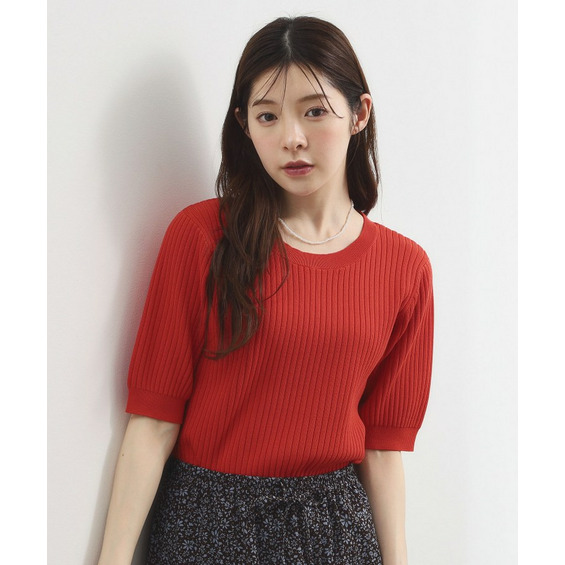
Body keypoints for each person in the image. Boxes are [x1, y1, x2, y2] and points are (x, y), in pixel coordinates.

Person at [97, 15, 434, 565]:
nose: (291, 138)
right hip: (205, 526)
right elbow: (154, 420)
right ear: (245, 125)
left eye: (314, 111)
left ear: (359, 114)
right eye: (268, 116)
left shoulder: (405, 268)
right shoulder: (202, 236)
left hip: (337, 532)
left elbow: (382, 449)